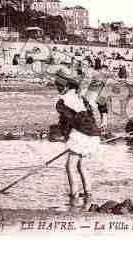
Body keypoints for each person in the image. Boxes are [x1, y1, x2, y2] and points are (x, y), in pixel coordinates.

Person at [54, 69, 106, 202]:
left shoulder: (62, 101)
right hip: (93, 133)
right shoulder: (81, 96)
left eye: (59, 85)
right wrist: (104, 120)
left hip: (82, 133)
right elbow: (98, 105)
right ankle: (88, 194)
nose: (57, 87)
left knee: (70, 166)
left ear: (66, 86)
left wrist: (65, 137)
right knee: (82, 165)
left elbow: (67, 122)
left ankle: (74, 196)